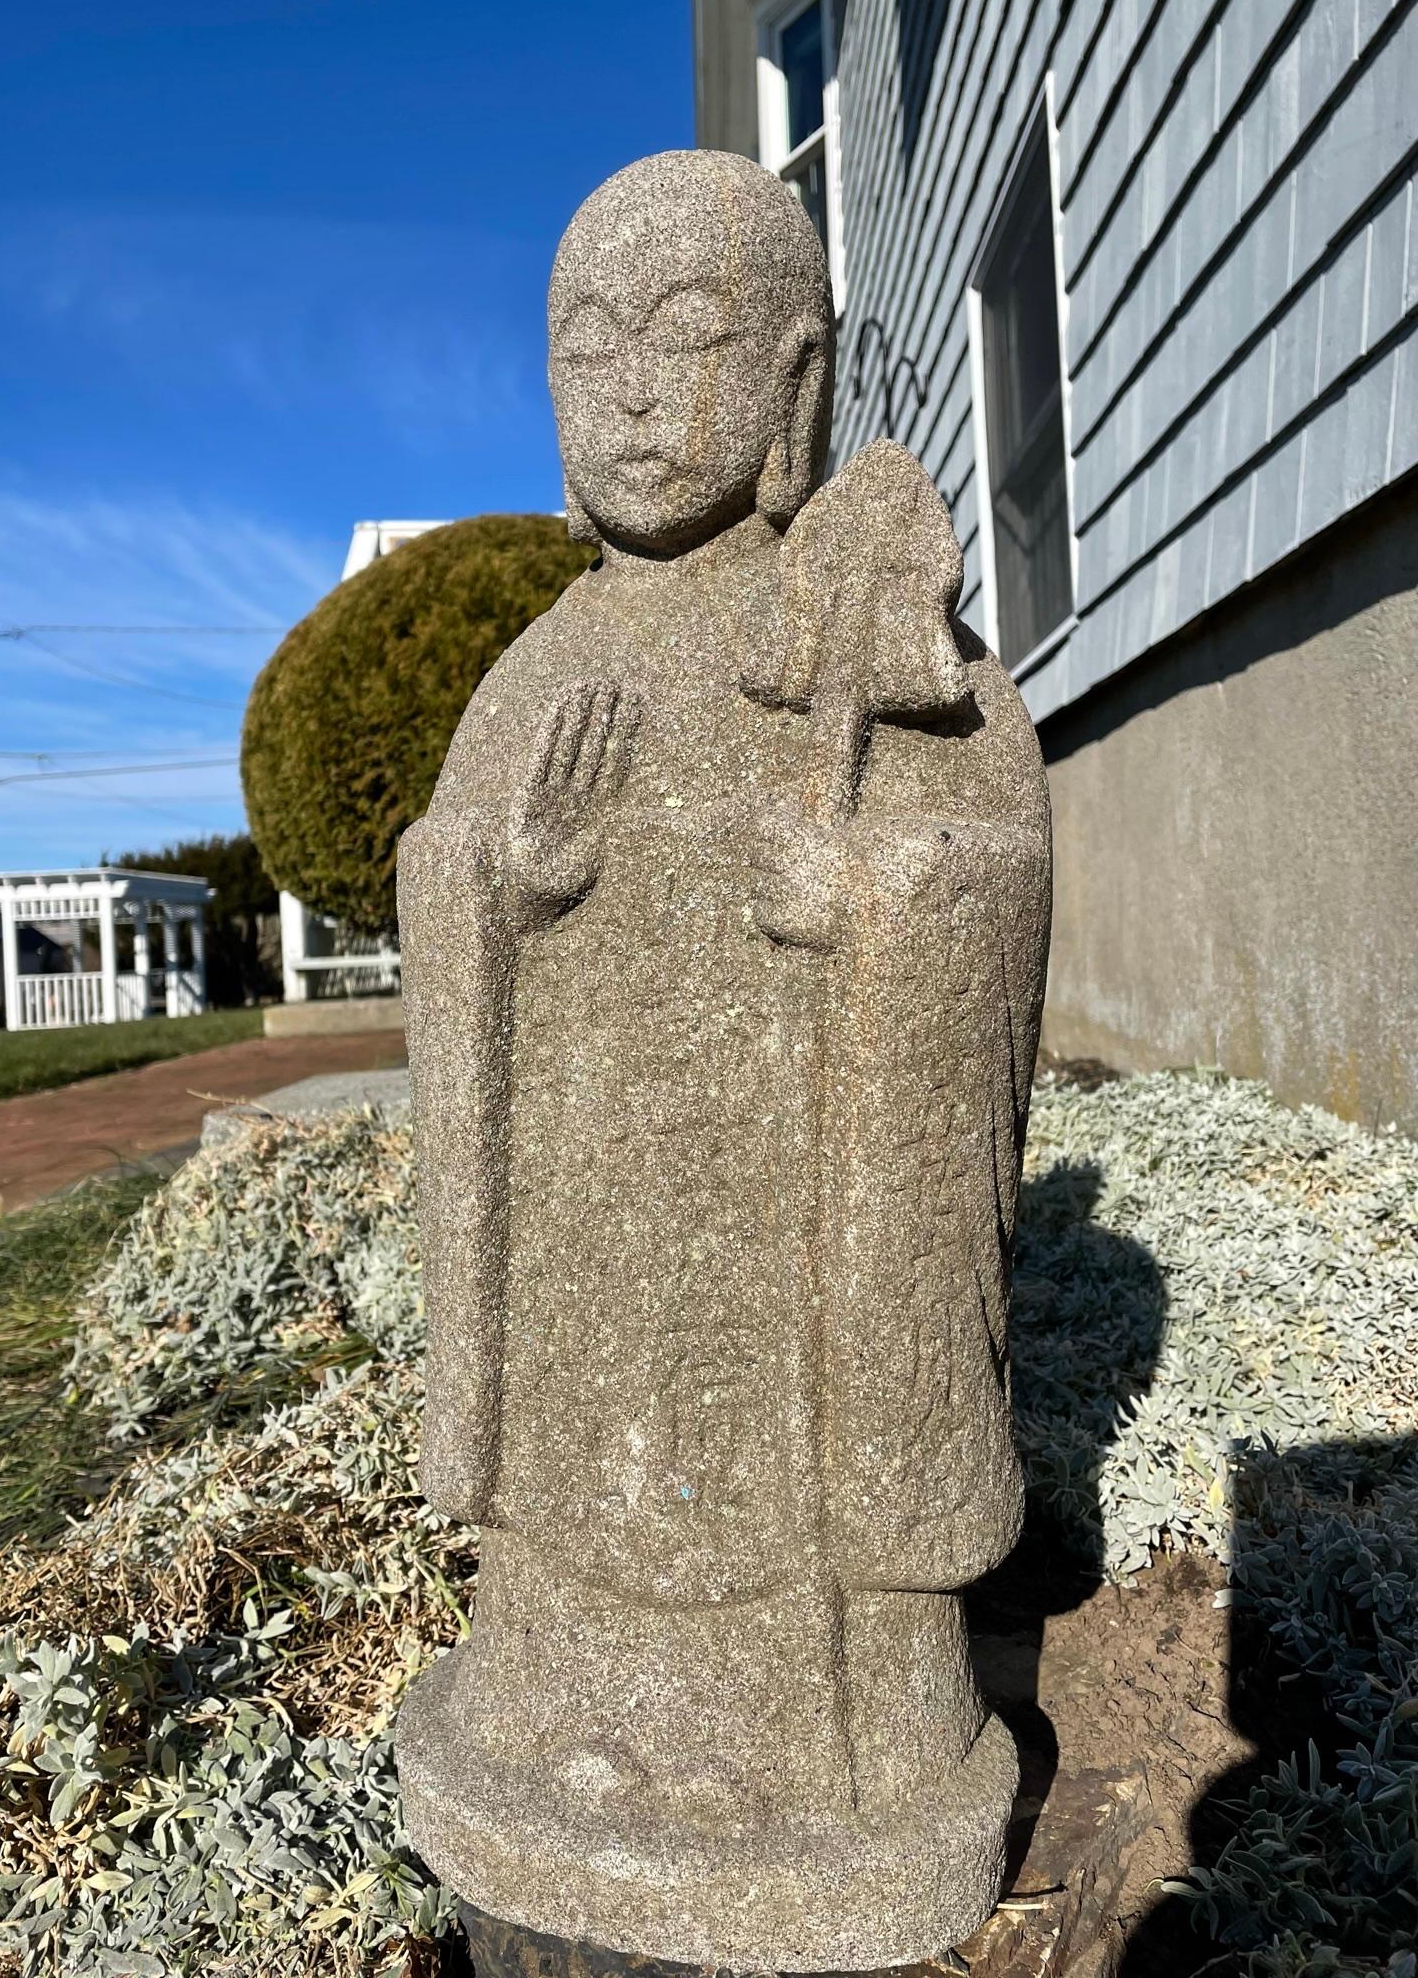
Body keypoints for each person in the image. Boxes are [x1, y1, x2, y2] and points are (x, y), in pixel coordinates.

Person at [395, 149, 1052, 1970]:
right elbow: (442, 879)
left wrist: (875, 895)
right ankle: (566, 1712)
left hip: (793, 1229)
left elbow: (990, 865)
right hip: (591, 1223)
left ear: (794, 388)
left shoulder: (889, 653)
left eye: (686, 338)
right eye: (584, 344)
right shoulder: (535, 671)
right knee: (587, 1458)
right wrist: (493, 890)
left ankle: (817, 1748)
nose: (625, 388)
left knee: (773, 1461)